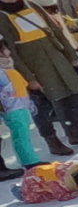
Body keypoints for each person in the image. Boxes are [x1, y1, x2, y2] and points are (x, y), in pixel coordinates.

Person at [0, 0, 78, 153]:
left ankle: (77, 131)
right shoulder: (2, 18)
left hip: (57, 58)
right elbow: (12, 51)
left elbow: (55, 31)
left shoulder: (32, 5)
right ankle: (52, 141)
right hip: (34, 65)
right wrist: (28, 77)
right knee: (45, 105)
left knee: (75, 91)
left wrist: (71, 54)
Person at [0, 44, 47, 174]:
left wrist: (29, 103)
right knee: (21, 136)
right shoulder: (2, 73)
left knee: (24, 135)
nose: (8, 54)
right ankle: (30, 161)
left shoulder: (10, 70)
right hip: (12, 109)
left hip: (21, 107)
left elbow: (21, 89)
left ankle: (31, 159)